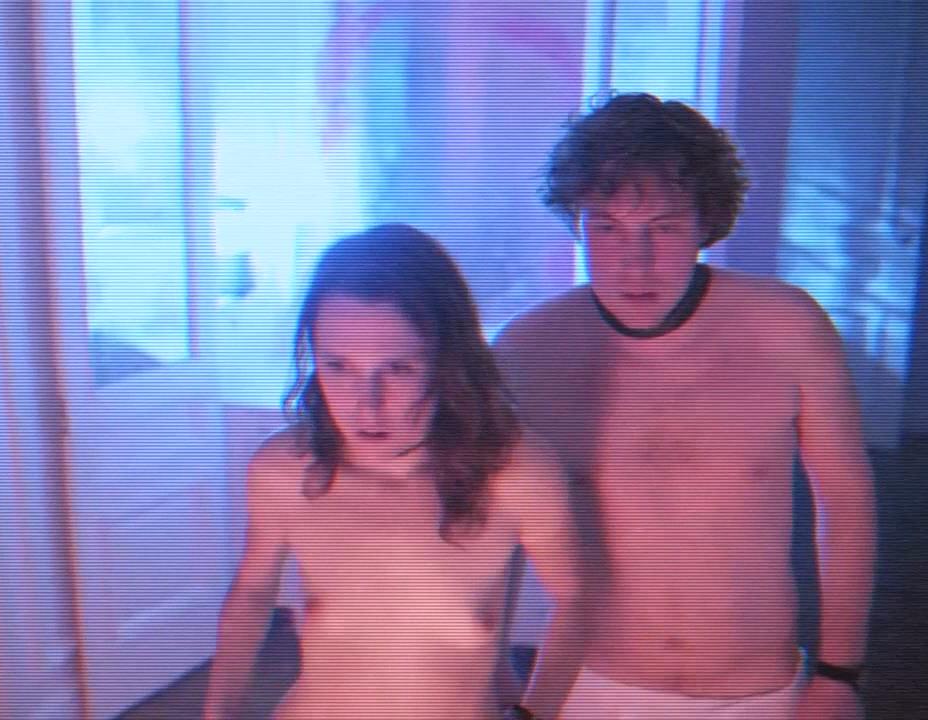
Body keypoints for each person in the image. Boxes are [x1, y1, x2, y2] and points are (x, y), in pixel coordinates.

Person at [492, 93, 876, 719]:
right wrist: (497, 683)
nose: (635, 262)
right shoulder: (526, 351)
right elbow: (487, 531)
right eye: (606, 227)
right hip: (586, 683)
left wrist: (839, 674)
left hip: (754, 689)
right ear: (575, 224)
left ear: (706, 222)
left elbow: (847, 501)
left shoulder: (786, 327)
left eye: (664, 228)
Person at [201, 223, 585, 720]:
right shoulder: (283, 472)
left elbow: (577, 598)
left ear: (447, 361)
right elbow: (252, 595)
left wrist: (534, 713)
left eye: (398, 369)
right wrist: (218, 712)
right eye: (339, 367)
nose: (367, 406)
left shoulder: (515, 471)